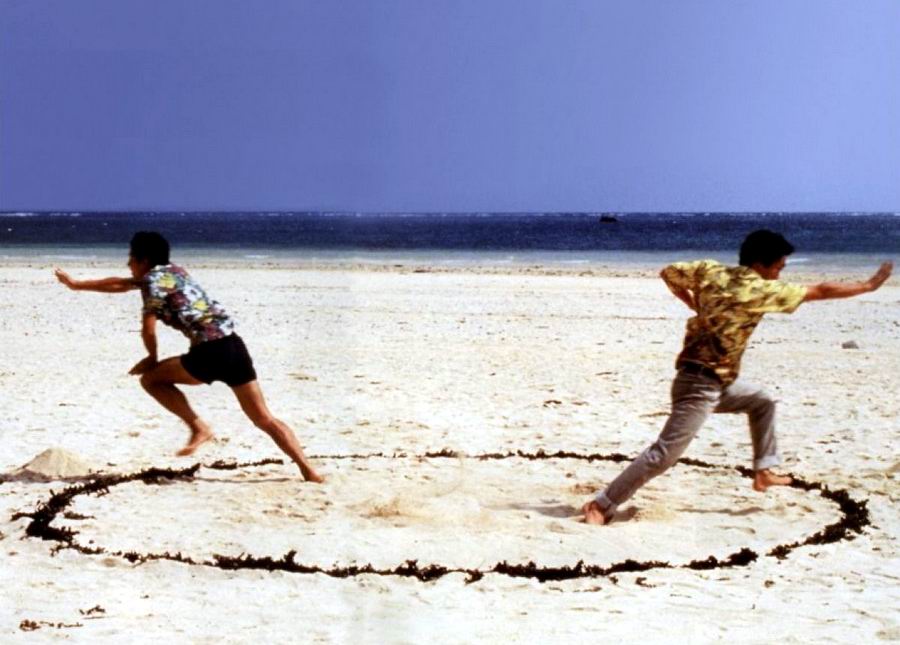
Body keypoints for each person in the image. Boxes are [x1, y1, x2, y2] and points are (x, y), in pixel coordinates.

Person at [582, 230, 892, 525]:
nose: (778, 276)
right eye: (778, 268)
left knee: (762, 401)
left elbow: (669, 273)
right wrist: (868, 286)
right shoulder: (760, 290)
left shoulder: (710, 271)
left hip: (716, 383)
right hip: (699, 385)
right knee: (664, 454)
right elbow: (820, 291)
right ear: (760, 265)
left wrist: (693, 303)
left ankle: (764, 471)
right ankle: (602, 504)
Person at [54, 231, 324, 483]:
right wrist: (76, 285)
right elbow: (122, 284)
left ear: (143, 260)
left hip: (209, 352)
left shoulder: (152, 284)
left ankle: (198, 428)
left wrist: (151, 357)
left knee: (151, 380)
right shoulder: (175, 272)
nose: (128, 264)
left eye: (130, 258)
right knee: (264, 418)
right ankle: (308, 469)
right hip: (234, 346)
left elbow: (148, 328)